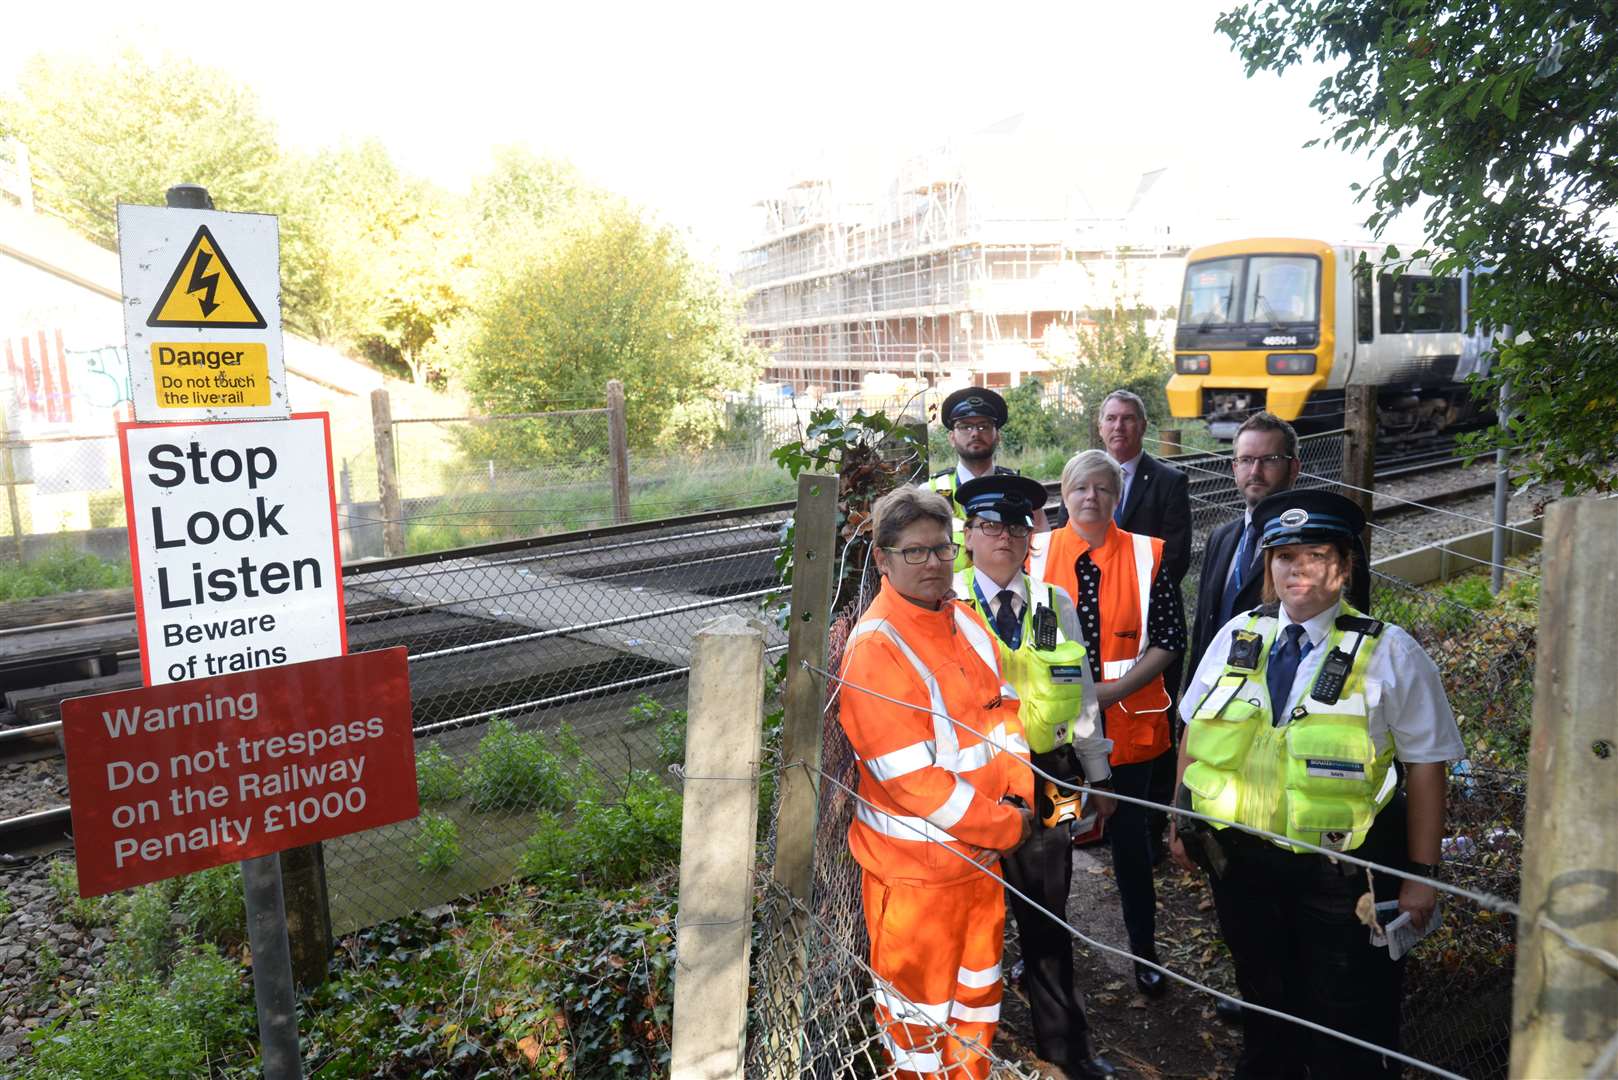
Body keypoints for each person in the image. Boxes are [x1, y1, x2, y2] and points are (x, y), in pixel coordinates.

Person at [1170, 490, 1464, 1080]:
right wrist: (1181, 821)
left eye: (1316, 555)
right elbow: (1193, 731)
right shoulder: (1237, 636)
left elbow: (1429, 766)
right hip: (1244, 862)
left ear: (1346, 566)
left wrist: (1420, 877)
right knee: (1263, 996)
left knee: (1346, 1018)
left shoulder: (1389, 651)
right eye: (1283, 557)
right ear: (1269, 567)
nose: (1296, 569)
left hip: (1341, 872)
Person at [838, 485, 1036, 1079]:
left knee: (976, 1011)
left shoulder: (967, 621)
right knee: (918, 1031)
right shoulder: (875, 650)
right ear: (882, 558)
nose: (932, 565)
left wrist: (1022, 794)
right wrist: (1008, 824)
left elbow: (1005, 717)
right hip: (918, 883)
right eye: (915, 553)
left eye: (942, 550)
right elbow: (914, 784)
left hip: (979, 868)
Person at [954, 474, 1118, 1080]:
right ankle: (968, 1048)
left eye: (1017, 527)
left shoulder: (1057, 605)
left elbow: (1082, 701)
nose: (1004, 538)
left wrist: (1097, 776)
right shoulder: (945, 606)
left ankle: (1065, 1049)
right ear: (967, 536)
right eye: (989, 526)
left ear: (1031, 538)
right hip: (970, 781)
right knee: (970, 916)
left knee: (1049, 911)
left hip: (1053, 779)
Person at [1031, 450, 1184, 999]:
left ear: (1116, 495)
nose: (1090, 498)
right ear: (1064, 495)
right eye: (1080, 489)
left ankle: (1145, 953)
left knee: (1129, 846)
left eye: (1102, 488)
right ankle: (1047, 953)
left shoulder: (1148, 555)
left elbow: (1170, 639)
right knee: (1055, 839)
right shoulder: (1037, 553)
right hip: (1058, 737)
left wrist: (1110, 691)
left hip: (1129, 733)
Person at [1099, 390, 1191, 854]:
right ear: (1100, 427)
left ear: (1143, 426)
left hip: (1154, 630)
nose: (1120, 427)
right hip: (1097, 634)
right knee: (1097, 729)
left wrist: (1126, 596)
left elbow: (1175, 557)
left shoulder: (1170, 480)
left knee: (1153, 730)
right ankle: (1100, 822)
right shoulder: (1088, 478)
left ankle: (1150, 832)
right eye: (1112, 419)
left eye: (1129, 419)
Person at [1189, 411, 1302, 692]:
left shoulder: (1317, 545)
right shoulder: (1222, 537)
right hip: (1214, 696)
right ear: (1234, 467)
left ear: (1294, 468)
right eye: (1246, 460)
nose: (1255, 471)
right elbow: (1205, 625)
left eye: (1269, 460)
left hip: (1275, 699)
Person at [927, 387, 1046, 570]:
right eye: (965, 426)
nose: (975, 433)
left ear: (997, 436)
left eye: (984, 426)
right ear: (951, 437)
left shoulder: (1021, 491)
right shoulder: (929, 493)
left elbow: (1043, 554)